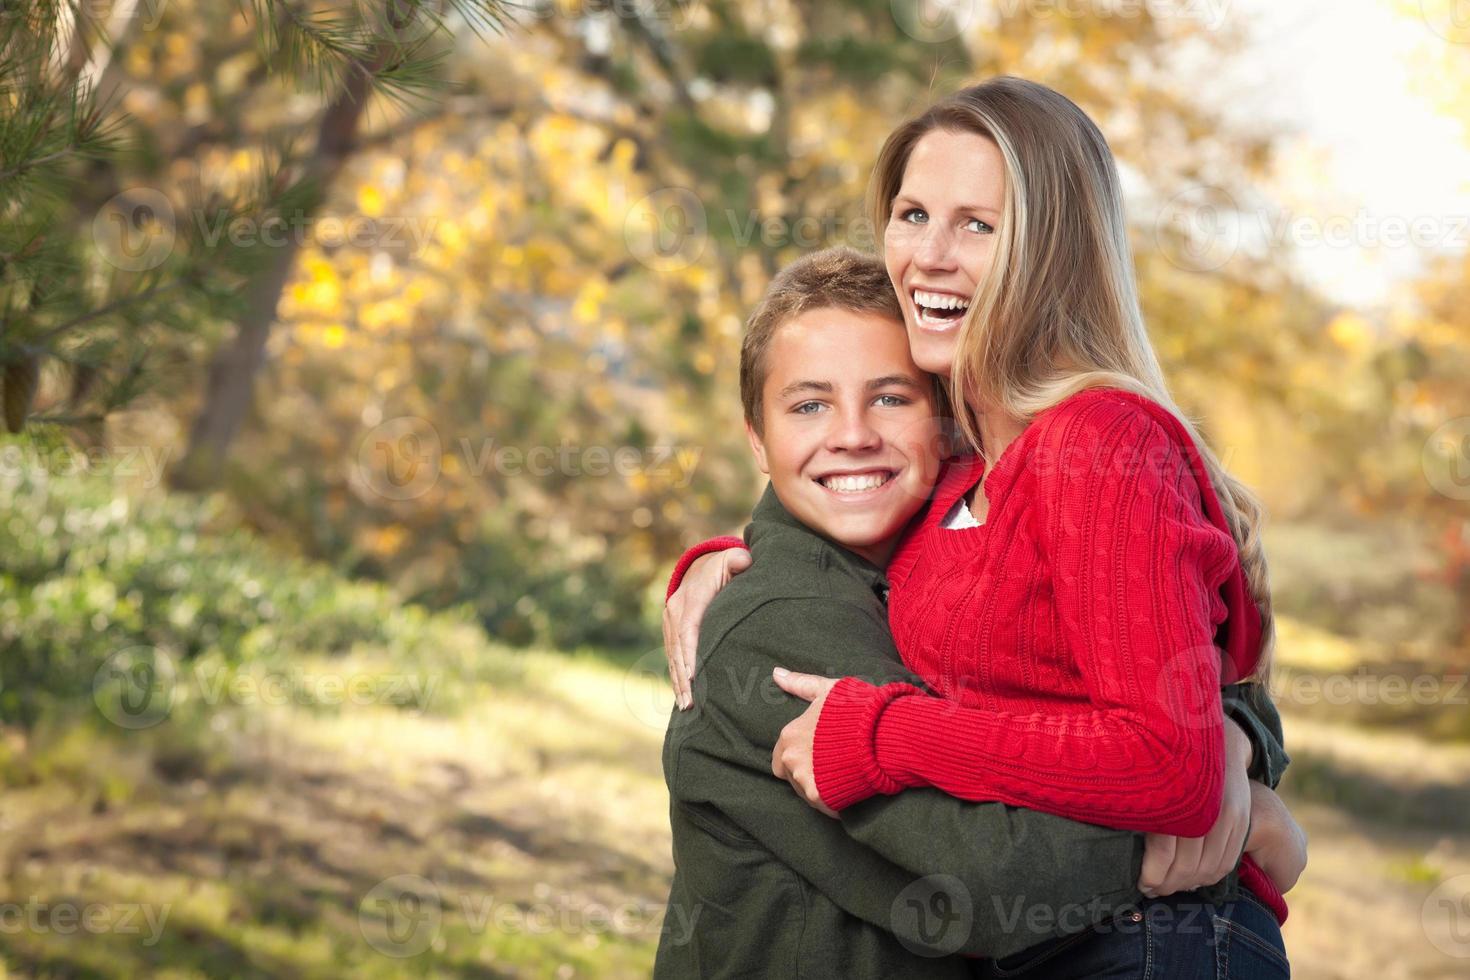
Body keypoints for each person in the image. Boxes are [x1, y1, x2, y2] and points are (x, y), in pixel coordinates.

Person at [662, 78, 1305, 978]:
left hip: (1152, 947)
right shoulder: (964, 475)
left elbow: (1169, 749)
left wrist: (881, 736)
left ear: (1049, 252)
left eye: (977, 225)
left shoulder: (1095, 444)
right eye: (913, 213)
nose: (929, 254)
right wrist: (719, 561)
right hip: (1066, 941)